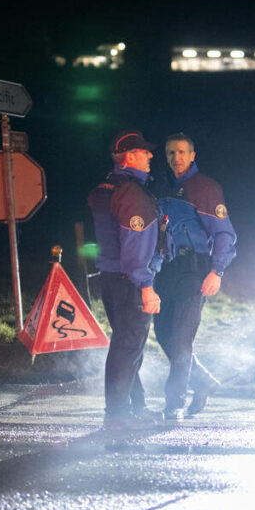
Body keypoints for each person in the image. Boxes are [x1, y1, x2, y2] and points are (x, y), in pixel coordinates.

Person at [145, 132, 236, 420]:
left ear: (192, 155)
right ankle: (204, 381)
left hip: (195, 270)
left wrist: (216, 271)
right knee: (162, 334)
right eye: (171, 153)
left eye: (182, 152)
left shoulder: (205, 188)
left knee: (182, 340)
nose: (176, 158)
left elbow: (225, 234)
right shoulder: (161, 187)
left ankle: (173, 405)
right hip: (167, 270)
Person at [87, 130, 163, 431]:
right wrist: (146, 286)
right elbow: (135, 245)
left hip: (110, 276)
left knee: (127, 345)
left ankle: (135, 406)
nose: (151, 156)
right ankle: (117, 414)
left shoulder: (107, 186)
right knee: (128, 346)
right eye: (145, 152)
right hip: (130, 279)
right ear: (130, 156)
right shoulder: (131, 193)